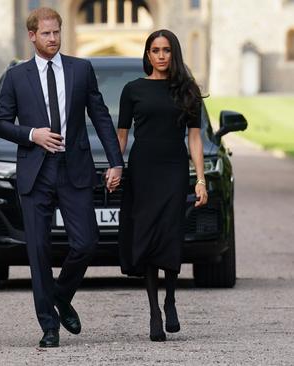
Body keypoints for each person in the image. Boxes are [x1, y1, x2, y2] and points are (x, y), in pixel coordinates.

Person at [0, 7, 124, 347]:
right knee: (38, 251)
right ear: (32, 36)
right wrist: (32, 134)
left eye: (56, 33)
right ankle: (49, 327)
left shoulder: (81, 69)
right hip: (35, 171)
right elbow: (0, 123)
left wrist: (116, 161)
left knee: (86, 242)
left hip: (74, 168)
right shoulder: (16, 76)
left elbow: (101, 116)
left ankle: (61, 296)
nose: (52, 39)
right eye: (46, 34)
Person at [116, 29, 207, 342]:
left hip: (174, 169)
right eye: (155, 50)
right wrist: (117, 166)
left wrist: (200, 179)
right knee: (147, 235)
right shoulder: (132, 90)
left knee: (169, 233)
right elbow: (122, 135)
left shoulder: (188, 90)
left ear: (174, 53)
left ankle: (170, 300)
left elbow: (195, 138)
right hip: (143, 170)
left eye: (166, 50)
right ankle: (154, 310)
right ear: (148, 54)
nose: (161, 56)